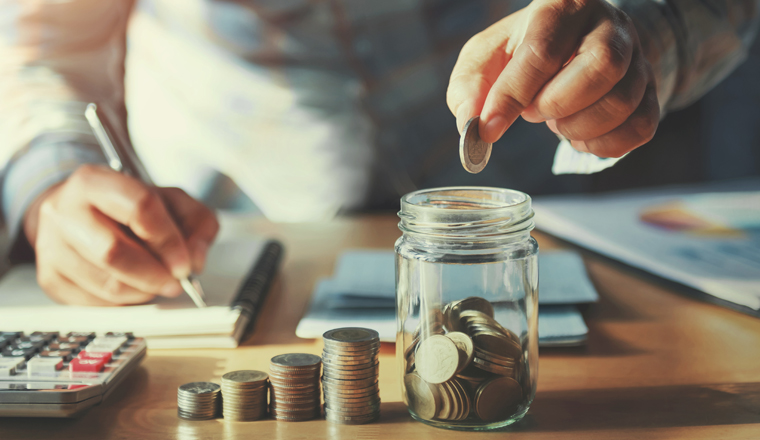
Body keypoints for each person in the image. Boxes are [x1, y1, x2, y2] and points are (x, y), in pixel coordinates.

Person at [0, 0, 757, 306]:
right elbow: (43, 40)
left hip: (553, 221)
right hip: (230, 248)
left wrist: (641, 29)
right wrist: (51, 179)